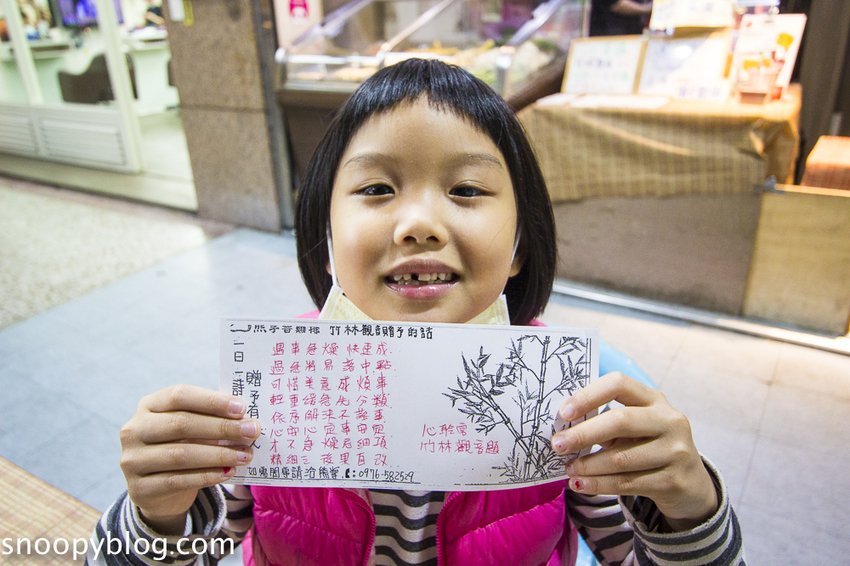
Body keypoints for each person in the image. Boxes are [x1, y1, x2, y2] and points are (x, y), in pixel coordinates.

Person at [88, 59, 744, 565]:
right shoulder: (269, 401)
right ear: (324, 240)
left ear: (520, 245)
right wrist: (156, 514)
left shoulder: (569, 409)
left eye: (466, 189)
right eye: (377, 189)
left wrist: (688, 505)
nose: (419, 223)